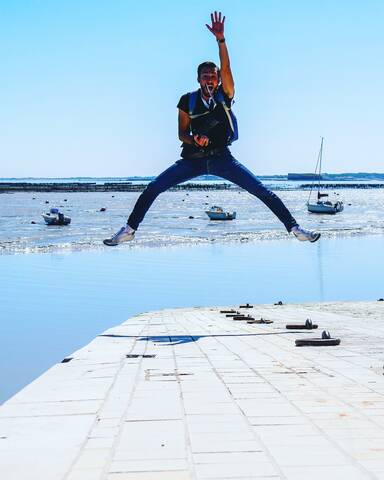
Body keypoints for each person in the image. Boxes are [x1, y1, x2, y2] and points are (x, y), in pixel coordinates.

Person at [103, 11, 320, 246]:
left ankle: (295, 229)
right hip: (192, 160)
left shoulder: (224, 95)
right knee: (153, 189)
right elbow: (181, 133)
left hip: (222, 159)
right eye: (205, 76)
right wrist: (194, 139)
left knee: (262, 191)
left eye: (212, 76)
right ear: (198, 79)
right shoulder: (187, 100)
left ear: (217, 80)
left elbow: (226, 66)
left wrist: (221, 40)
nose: (209, 79)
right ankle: (129, 230)